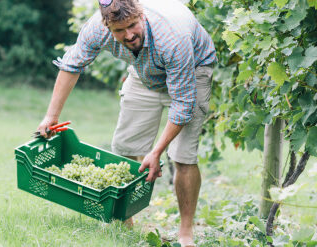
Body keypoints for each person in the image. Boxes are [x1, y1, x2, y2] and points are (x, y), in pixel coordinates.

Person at [36, 0, 216, 245]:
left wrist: (156, 152)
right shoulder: (96, 29)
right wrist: (51, 116)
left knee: (183, 156)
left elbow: (183, 106)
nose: (129, 35)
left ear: (141, 15)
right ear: (106, 25)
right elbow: (71, 65)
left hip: (192, 70)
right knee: (124, 150)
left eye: (132, 25)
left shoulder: (173, 37)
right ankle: (124, 228)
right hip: (144, 73)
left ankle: (186, 234)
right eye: (120, 31)